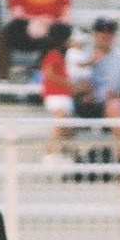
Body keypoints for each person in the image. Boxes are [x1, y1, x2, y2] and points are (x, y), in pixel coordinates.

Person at [72, 16, 120, 162]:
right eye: (101, 31)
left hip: (106, 106)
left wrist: (117, 95)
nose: (105, 35)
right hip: (81, 104)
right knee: (62, 108)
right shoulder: (80, 53)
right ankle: (61, 160)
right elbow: (67, 84)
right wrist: (83, 91)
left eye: (109, 31)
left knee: (114, 106)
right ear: (94, 34)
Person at [1, 0, 72, 62]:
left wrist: (46, 22)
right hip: (26, 29)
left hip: (51, 29)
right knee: (13, 27)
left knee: (64, 30)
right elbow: (17, 14)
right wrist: (36, 21)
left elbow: (65, 15)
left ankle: (45, 62)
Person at [40, 35, 75, 163]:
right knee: (59, 121)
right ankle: (50, 153)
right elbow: (48, 73)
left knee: (68, 127)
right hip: (56, 94)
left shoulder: (62, 56)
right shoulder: (54, 53)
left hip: (63, 95)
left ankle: (65, 154)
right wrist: (68, 84)